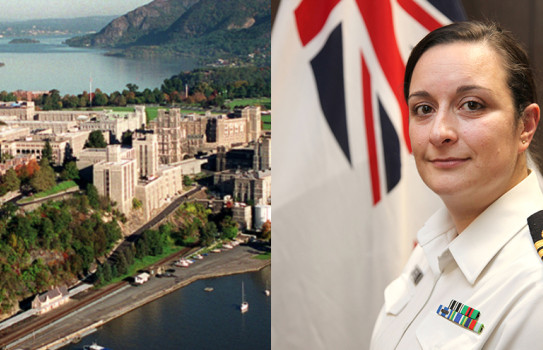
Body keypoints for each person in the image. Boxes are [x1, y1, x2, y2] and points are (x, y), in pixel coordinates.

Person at [369, 21, 543, 349]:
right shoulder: (434, 244)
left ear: (525, 126)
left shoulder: (535, 289)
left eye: (472, 105)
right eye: (423, 109)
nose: (439, 132)